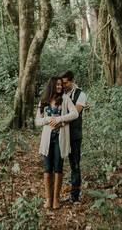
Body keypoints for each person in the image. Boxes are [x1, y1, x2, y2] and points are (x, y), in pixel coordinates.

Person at [35, 76, 78, 210]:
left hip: (60, 138)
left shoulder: (65, 99)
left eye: (60, 85)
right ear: (51, 86)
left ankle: (56, 199)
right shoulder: (44, 101)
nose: (59, 87)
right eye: (57, 85)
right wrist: (48, 120)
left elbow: (75, 113)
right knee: (47, 168)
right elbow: (37, 121)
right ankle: (48, 199)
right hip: (48, 139)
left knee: (58, 167)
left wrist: (60, 119)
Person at [59, 70, 89, 203]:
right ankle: (55, 196)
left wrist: (59, 119)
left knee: (74, 165)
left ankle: (74, 196)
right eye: (62, 83)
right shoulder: (59, 93)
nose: (63, 85)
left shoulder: (80, 94)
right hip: (59, 134)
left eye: (65, 83)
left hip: (74, 134)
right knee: (57, 164)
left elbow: (75, 112)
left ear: (71, 81)